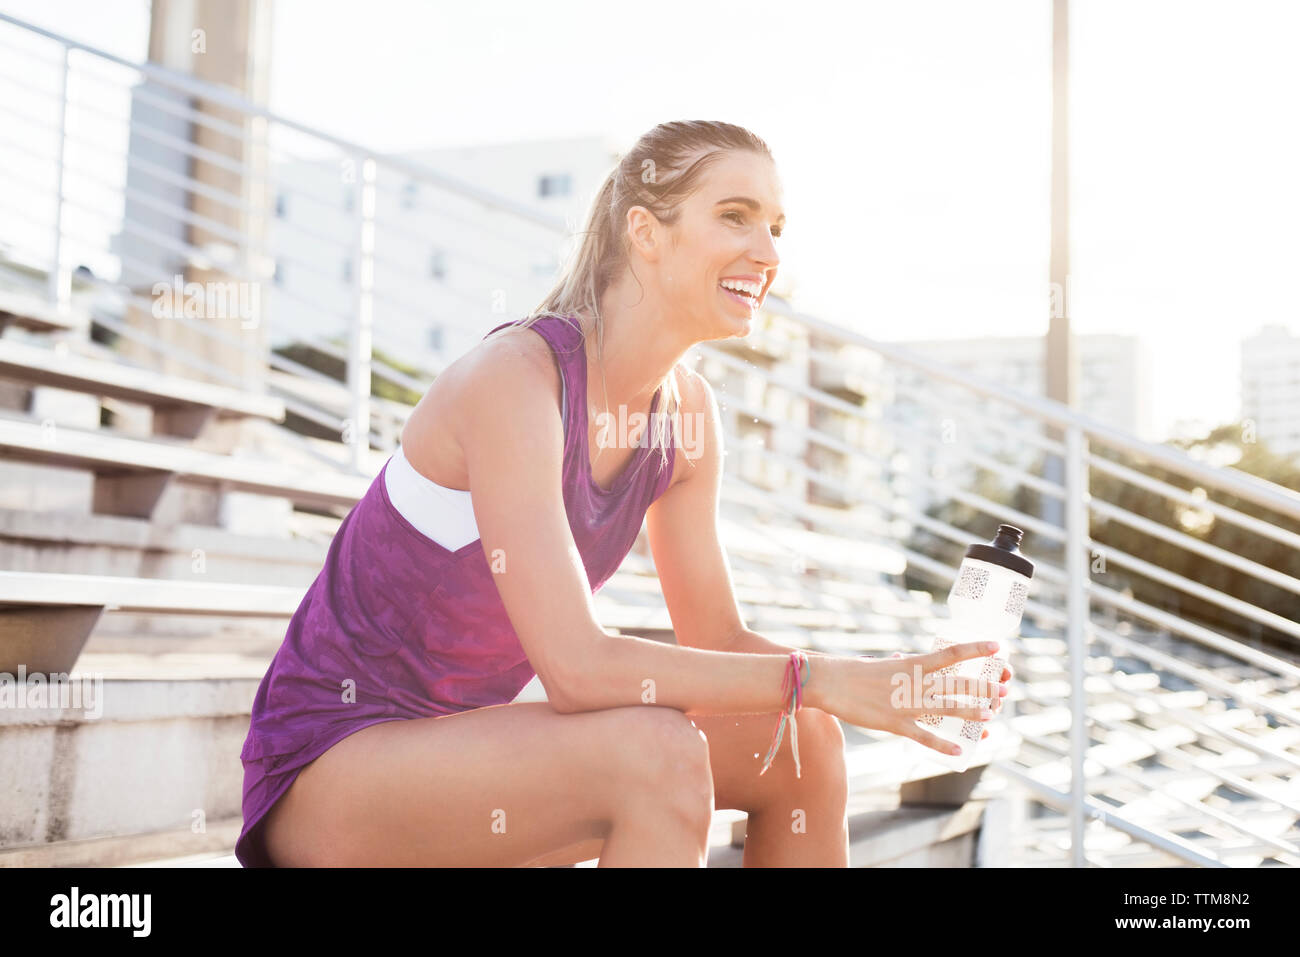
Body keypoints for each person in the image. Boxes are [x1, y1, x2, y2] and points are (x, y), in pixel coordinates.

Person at [236, 120, 1013, 868]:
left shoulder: (688, 418)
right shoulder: (516, 381)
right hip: (333, 774)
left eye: (777, 225)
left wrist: (888, 678)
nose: (767, 251)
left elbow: (716, 636)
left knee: (802, 739)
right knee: (659, 754)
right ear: (645, 232)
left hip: (483, 762)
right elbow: (576, 667)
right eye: (735, 217)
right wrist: (822, 676)